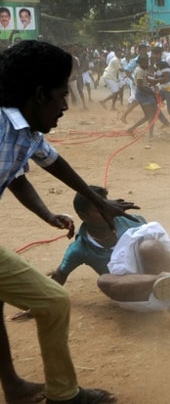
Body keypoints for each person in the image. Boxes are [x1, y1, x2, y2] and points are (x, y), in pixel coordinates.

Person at [0, 40, 138, 404]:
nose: (65, 105)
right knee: (54, 299)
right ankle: (59, 394)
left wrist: (87, 203)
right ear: (40, 94)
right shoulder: (1, 129)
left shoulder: (23, 129)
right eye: (62, 95)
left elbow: (40, 166)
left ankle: (22, 388)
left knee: (42, 300)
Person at [13, 186, 170, 323]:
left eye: (106, 205)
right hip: (131, 292)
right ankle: (163, 280)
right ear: (83, 216)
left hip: (155, 279)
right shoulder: (79, 248)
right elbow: (60, 276)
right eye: (98, 209)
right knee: (104, 281)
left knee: (150, 245)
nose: (106, 211)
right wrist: (36, 307)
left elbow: (163, 248)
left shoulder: (130, 222)